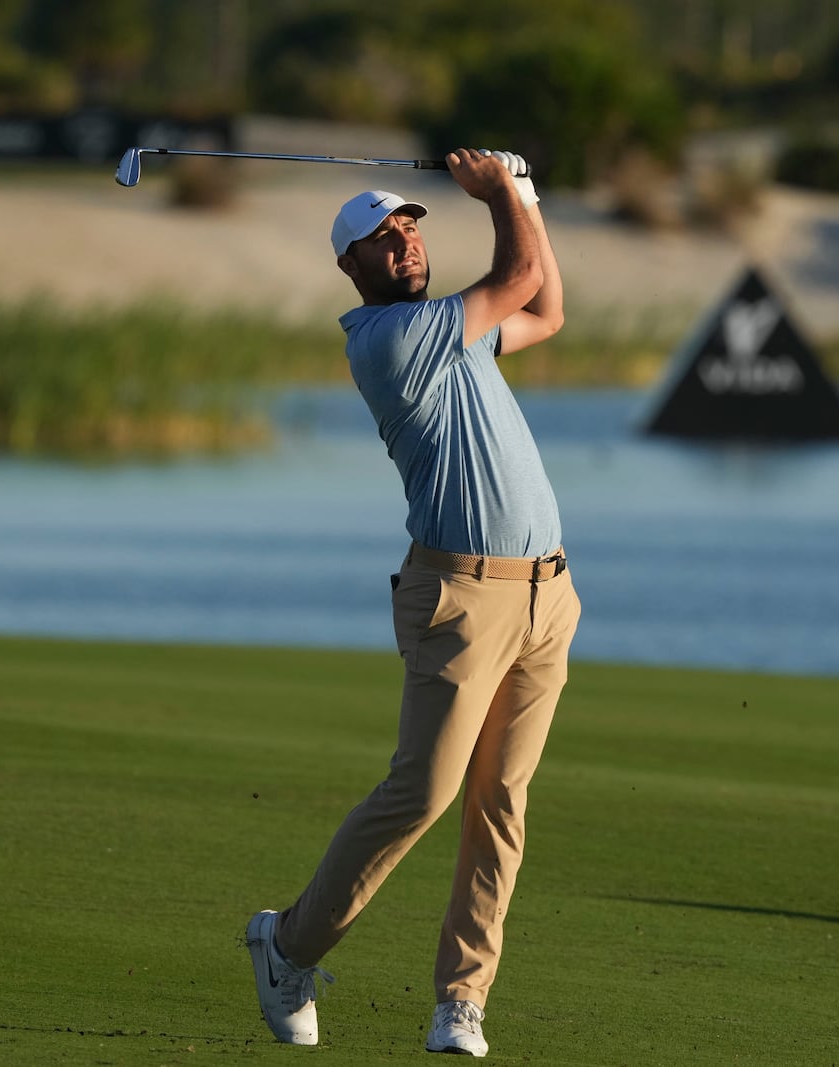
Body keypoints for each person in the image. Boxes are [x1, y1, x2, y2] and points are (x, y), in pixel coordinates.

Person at [244, 148, 581, 1058]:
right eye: (381, 241)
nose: (403, 247)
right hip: (461, 596)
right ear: (349, 266)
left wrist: (529, 198)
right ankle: (288, 946)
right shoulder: (390, 340)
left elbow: (544, 306)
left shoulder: (457, 331)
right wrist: (504, 191)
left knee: (501, 805)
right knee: (424, 793)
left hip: (548, 595)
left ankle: (460, 1002)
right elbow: (515, 276)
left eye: (409, 232)